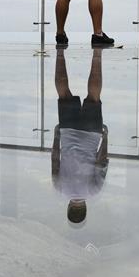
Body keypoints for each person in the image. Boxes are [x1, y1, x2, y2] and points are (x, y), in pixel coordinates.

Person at [52, 48, 109, 226]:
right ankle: (60, 52)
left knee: (94, 97)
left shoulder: (93, 192)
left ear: (84, 209)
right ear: (69, 208)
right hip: (68, 133)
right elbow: (55, 158)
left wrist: (104, 137)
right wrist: (57, 135)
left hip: (91, 135)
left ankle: (97, 54)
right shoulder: (59, 189)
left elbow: (102, 161)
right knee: (63, 94)